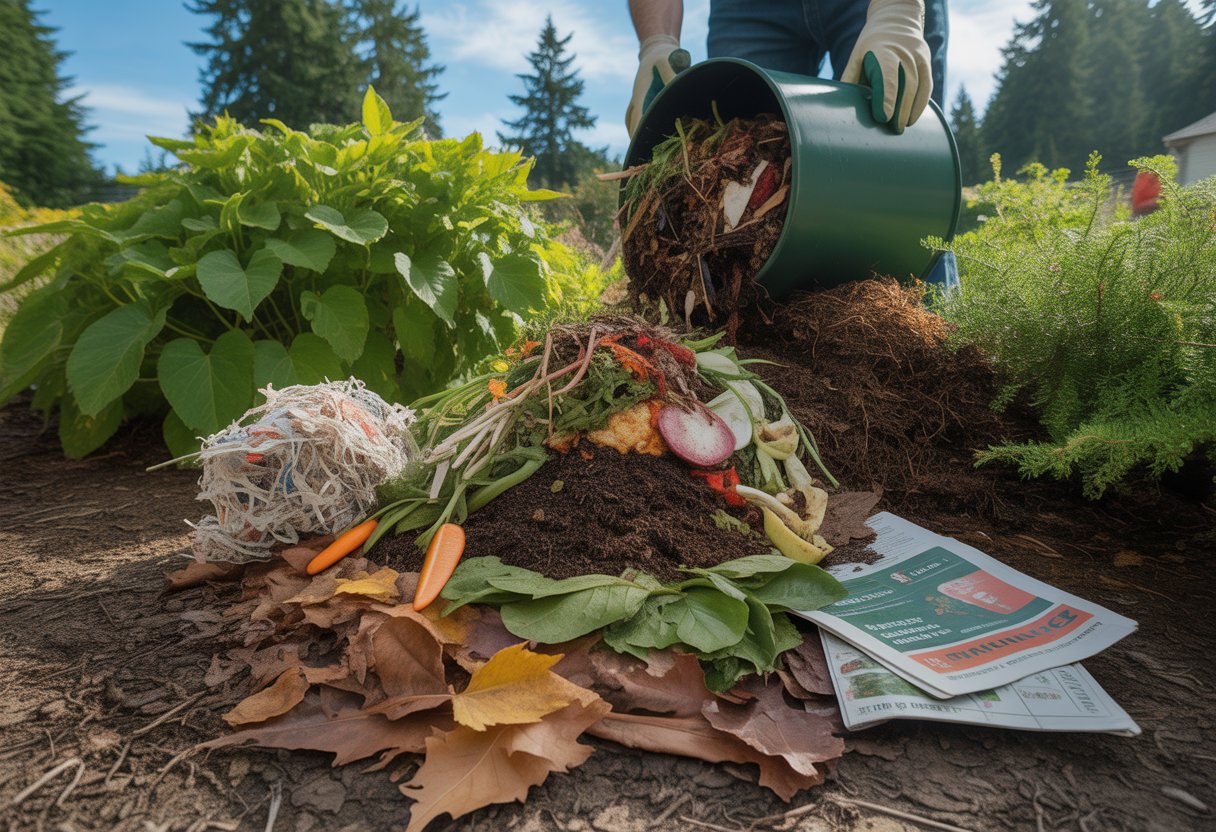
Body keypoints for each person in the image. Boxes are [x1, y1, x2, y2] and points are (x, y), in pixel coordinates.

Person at [626, 0, 959, 292]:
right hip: (747, 10)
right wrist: (656, 42)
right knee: (747, 185)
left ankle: (933, 338)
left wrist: (897, 10)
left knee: (900, 165)